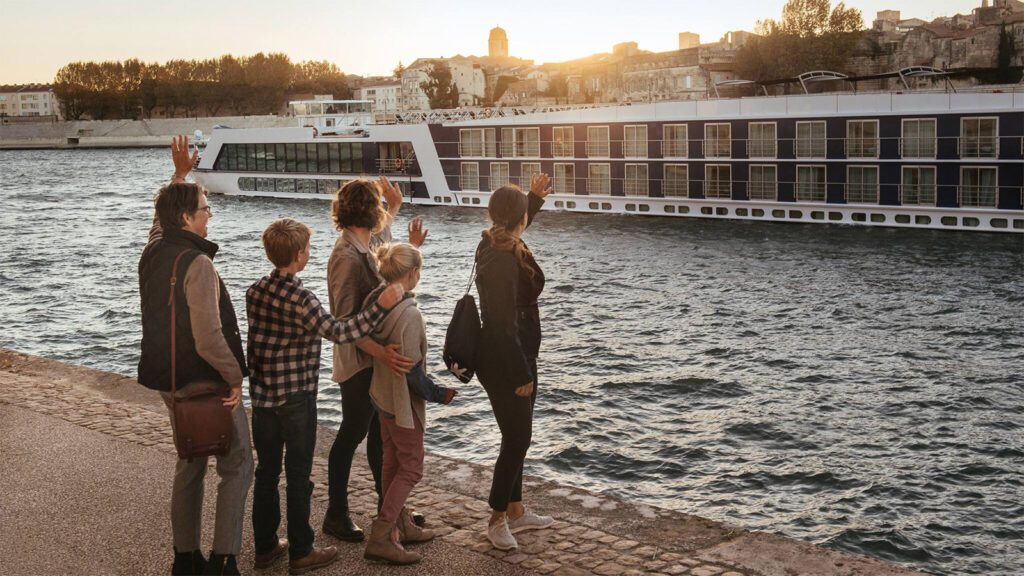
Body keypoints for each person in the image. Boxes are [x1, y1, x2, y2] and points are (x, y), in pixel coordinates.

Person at [245, 219, 406, 574]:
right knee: (298, 474)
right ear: (300, 255)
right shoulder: (302, 298)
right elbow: (341, 331)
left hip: (262, 398)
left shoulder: (255, 291)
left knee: (267, 473)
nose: (309, 254)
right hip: (296, 398)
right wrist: (381, 304)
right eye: (307, 250)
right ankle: (302, 550)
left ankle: (266, 546)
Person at [138, 135, 252, 576]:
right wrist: (235, 377)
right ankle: (225, 559)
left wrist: (180, 176)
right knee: (237, 462)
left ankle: (185, 559)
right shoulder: (198, 264)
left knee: (190, 460)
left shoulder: (153, 251)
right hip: (204, 379)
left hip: (165, 377)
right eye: (205, 208)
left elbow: (156, 224)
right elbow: (208, 336)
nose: (210, 214)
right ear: (187, 217)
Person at [323, 176, 427, 542]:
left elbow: (382, 254)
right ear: (368, 211)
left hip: (374, 360)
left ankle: (391, 510)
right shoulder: (344, 257)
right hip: (358, 361)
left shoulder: (361, 243)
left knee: (378, 437)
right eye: (380, 205)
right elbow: (343, 321)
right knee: (353, 433)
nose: (384, 210)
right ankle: (336, 513)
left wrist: (397, 218)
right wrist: (381, 351)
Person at [360, 243, 457, 565]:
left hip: (381, 396)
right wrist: (440, 394)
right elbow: (414, 374)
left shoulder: (377, 300)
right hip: (402, 403)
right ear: (413, 273)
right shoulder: (410, 314)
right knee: (412, 467)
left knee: (391, 461)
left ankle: (400, 525)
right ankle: (381, 534)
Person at [475, 175, 555, 551]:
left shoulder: (494, 241)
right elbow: (504, 324)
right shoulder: (504, 260)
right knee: (517, 438)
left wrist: (533, 200)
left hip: (517, 353)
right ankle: (496, 519)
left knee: (519, 436)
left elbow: (515, 225)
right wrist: (522, 373)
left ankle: (518, 510)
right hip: (509, 359)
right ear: (516, 219)